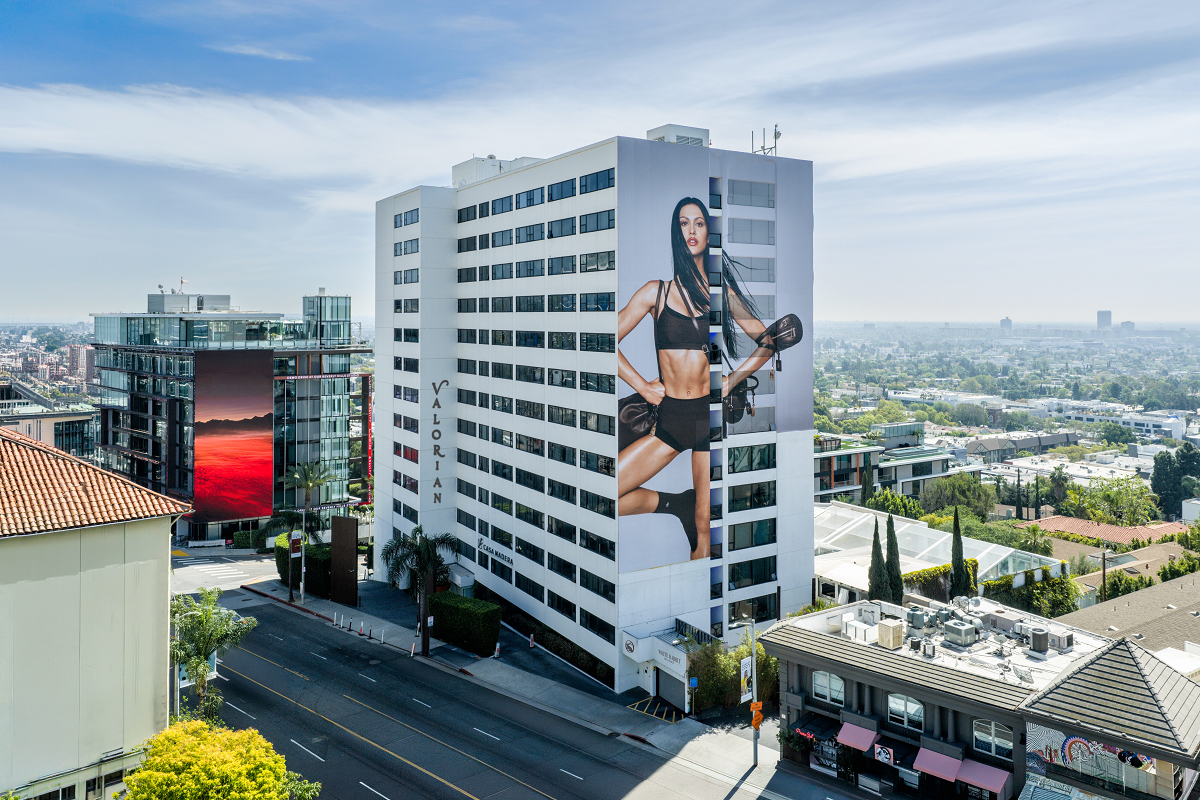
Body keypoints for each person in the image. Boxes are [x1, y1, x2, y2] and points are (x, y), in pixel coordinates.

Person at [617, 196, 777, 559]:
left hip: (709, 420)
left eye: (699, 223)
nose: (692, 230)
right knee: (602, 493)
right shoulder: (655, 292)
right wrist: (641, 385)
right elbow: (603, 341)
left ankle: (699, 603)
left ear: (708, 232)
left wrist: (733, 380)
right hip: (670, 418)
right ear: (678, 232)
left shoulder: (722, 295)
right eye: (684, 223)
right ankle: (676, 505)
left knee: (704, 531)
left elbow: (767, 341)